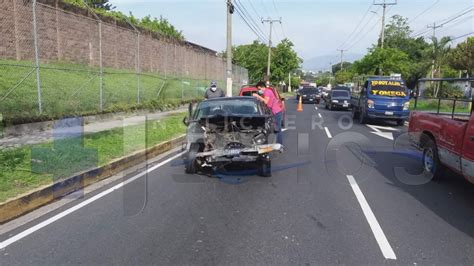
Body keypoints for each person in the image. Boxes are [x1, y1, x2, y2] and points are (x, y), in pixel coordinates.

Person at [252, 81, 283, 145]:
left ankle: (280, 144)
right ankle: (275, 143)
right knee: (273, 129)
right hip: (272, 112)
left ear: (262, 87)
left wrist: (258, 96)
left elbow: (266, 102)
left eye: (259, 89)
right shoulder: (265, 92)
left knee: (277, 129)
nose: (259, 90)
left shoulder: (267, 92)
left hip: (276, 112)